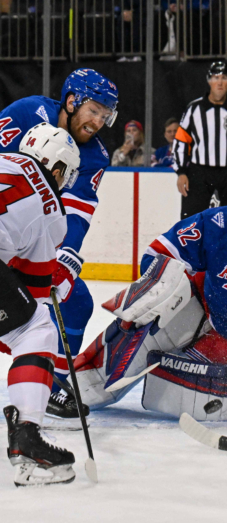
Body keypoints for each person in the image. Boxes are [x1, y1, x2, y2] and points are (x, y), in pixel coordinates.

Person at [73, 184, 227, 420]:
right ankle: (75, 387)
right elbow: (158, 253)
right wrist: (162, 289)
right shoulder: (220, 224)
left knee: (183, 395)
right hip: (198, 305)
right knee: (134, 331)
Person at [0, 68, 118, 421]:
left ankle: (49, 384)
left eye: (105, 115)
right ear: (71, 101)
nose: (98, 122)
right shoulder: (26, 113)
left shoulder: (95, 156)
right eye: (94, 110)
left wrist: (65, 257)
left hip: (26, 239)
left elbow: (77, 211)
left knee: (77, 302)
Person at [0, 123, 82, 486]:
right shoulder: (52, 209)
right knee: (37, 329)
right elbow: (32, 295)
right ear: (58, 168)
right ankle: (27, 438)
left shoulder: (3, 158)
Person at [172, 60, 227, 220]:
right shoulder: (194, 109)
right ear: (209, 80)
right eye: (216, 77)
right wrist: (181, 172)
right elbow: (181, 142)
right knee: (191, 221)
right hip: (199, 173)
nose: (219, 82)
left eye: (224, 78)